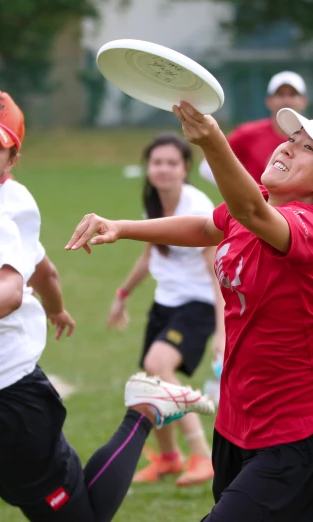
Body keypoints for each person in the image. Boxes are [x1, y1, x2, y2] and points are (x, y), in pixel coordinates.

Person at [0, 90, 214, 522]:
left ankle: (143, 412)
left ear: (11, 161)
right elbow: (43, 269)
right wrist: (56, 306)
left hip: (6, 409)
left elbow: (9, 288)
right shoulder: (13, 198)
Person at [66, 101, 313, 521]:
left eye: (308, 149)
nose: (289, 148)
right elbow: (205, 227)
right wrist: (122, 228)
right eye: (292, 139)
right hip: (237, 419)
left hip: (297, 427)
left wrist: (212, 141)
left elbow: (249, 213)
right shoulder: (253, 206)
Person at [108, 133, 223, 486]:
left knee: (158, 365)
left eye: (172, 163)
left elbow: (216, 271)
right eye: (157, 163)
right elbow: (149, 253)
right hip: (165, 304)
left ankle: (202, 455)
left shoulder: (198, 206)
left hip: (198, 305)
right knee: (152, 381)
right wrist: (123, 292)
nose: (163, 170)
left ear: (185, 168)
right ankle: (170, 459)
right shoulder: (153, 205)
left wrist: (223, 329)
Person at [198, 70, 308, 185]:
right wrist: (244, 193)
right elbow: (207, 168)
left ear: (304, 101)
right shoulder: (247, 134)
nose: (286, 100)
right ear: (268, 101)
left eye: (292, 95)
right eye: (280, 95)